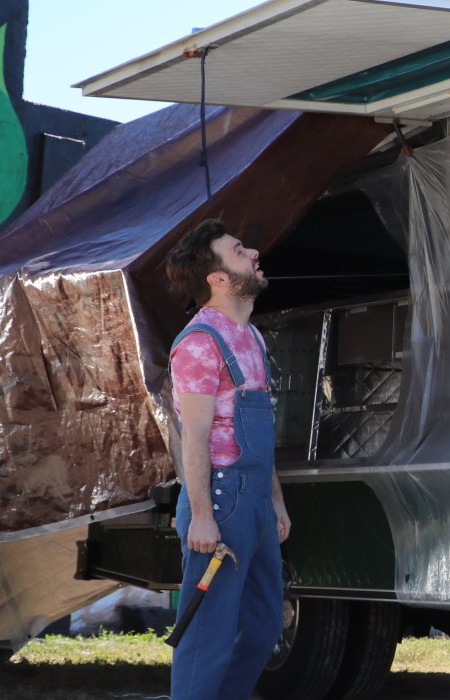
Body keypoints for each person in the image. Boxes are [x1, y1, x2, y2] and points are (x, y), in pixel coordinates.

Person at [163, 219, 291, 699]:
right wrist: (200, 516)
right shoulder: (200, 343)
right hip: (220, 500)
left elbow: (259, 430)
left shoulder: (251, 338)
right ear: (217, 279)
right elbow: (193, 438)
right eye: (239, 252)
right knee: (207, 639)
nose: (254, 252)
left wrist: (274, 500)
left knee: (262, 629)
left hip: (254, 500)